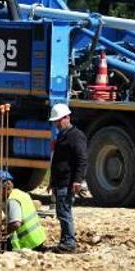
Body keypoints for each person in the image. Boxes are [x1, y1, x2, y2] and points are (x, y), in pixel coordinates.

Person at [48, 103, 87, 252]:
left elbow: (82, 159)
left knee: (64, 213)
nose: (57, 124)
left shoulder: (76, 136)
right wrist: (52, 182)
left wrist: (78, 180)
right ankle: (65, 241)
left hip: (67, 182)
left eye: (59, 120)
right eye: (55, 121)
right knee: (62, 212)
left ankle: (69, 243)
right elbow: (57, 161)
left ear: (67, 117)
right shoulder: (62, 136)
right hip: (60, 182)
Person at [0, 170, 47, 251]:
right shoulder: (20, 193)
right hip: (38, 237)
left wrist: (1, 234)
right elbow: (21, 215)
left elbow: (15, 224)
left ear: (0, 188)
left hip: (29, 243)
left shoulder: (12, 200)